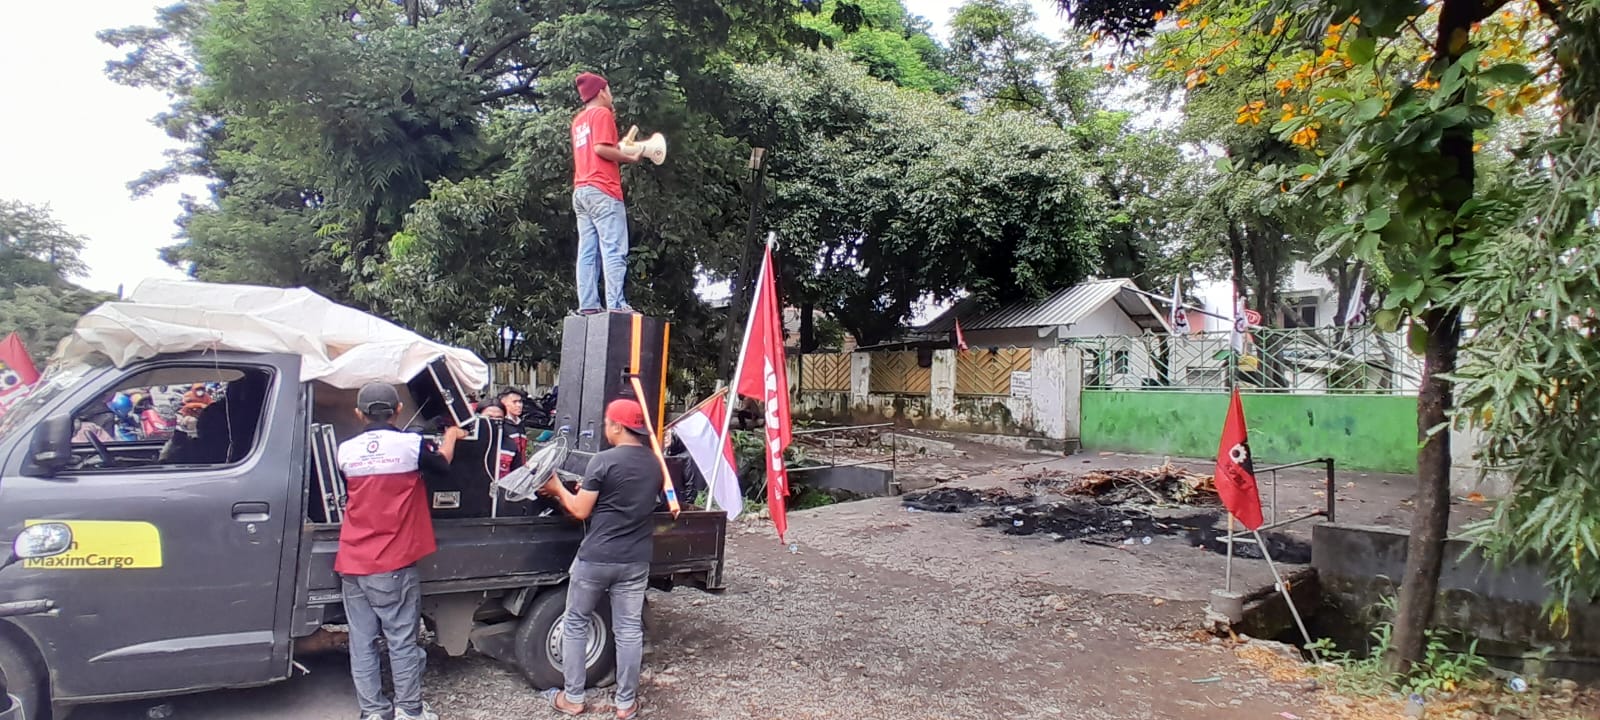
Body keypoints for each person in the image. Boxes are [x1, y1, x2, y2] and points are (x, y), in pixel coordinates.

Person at [335, 383, 466, 720]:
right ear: (397, 411)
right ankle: (409, 711)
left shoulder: (345, 451)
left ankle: (373, 712)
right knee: (401, 641)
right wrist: (451, 435)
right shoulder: (411, 446)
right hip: (392, 562)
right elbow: (443, 465)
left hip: (352, 561)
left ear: (358, 414)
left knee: (362, 642)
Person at [540, 399, 661, 719]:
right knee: (629, 630)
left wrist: (556, 488)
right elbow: (632, 499)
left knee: (577, 623)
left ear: (618, 427)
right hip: (635, 560)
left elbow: (580, 510)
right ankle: (625, 704)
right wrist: (591, 490)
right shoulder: (653, 462)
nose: (605, 428)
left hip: (597, 558)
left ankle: (574, 698)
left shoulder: (603, 461)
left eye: (607, 422)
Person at [571, 71, 643, 314]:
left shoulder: (579, 120)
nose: (611, 96)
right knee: (613, 248)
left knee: (587, 250)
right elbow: (601, 148)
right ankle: (616, 304)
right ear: (601, 92)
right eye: (609, 91)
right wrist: (629, 157)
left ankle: (588, 304)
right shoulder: (602, 113)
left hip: (582, 190)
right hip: (603, 190)